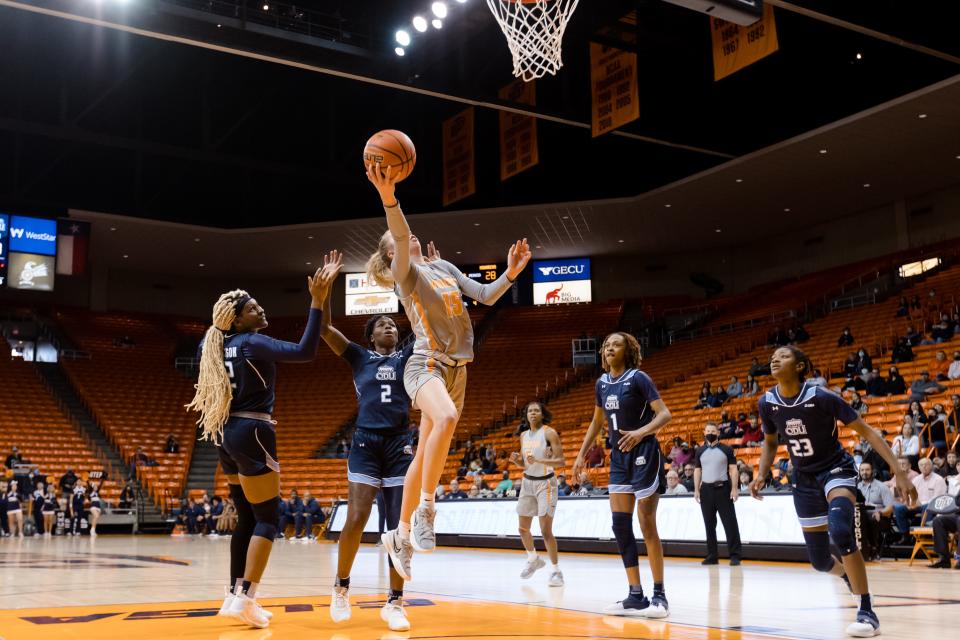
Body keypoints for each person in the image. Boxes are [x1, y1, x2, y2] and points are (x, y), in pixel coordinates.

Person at [369, 162, 531, 588]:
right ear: (392, 255)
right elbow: (401, 234)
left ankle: (399, 535)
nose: (412, 238)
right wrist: (390, 197)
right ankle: (426, 511)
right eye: (399, 244)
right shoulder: (407, 274)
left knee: (424, 453)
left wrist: (512, 272)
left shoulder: (443, 269)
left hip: (459, 371)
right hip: (426, 363)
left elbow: (485, 295)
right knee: (445, 419)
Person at [186, 263, 336, 629]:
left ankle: (235, 593)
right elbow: (305, 351)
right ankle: (247, 596)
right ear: (237, 321)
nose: (261, 310)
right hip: (252, 430)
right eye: (253, 308)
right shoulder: (250, 341)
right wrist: (317, 303)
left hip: (224, 432)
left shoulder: (211, 343)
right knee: (270, 518)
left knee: (248, 517)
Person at [752, 345, 916, 638]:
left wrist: (899, 472)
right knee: (820, 561)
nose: (775, 359)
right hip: (802, 479)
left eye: (784, 356)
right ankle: (848, 578)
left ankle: (866, 610)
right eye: (773, 357)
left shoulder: (823, 397)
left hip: (835, 469)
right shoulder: (766, 402)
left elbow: (868, 432)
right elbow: (769, 442)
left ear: (801, 366)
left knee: (841, 531)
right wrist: (761, 473)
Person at [318, 249, 415, 632]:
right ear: (370, 333)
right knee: (357, 517)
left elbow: (426, 325)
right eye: (382, 324)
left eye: (393, 324)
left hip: (399, 443)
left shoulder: (408, 355)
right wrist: (321, 295)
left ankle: (395, 601)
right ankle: (341, 587)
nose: (390, 327)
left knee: (396, 527)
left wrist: (425, 274)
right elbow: (325, 330)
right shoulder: (359, 357)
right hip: (365, 442)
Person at [573, 332, 673, 618]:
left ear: (627, 350)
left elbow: (664, 415)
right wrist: (581, 454)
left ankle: (659, 595)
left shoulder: (639, 378)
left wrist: (640, 433)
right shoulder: (601, 383)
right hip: (618, 458)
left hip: (644, 454)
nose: (608, 348)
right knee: (620, 525)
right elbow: (596, 422)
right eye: (605, 345)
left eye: (615, 344)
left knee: (647, 524)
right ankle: (635, 595)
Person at [508, 401, 565, 586]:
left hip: (546, 484)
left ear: (542, 414)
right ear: (526, 415)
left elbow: (561, 461)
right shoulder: (524, 435)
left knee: (545, 530)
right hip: (527, 483)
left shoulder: (549, 433)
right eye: (530, 411)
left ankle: (557, 572)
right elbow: (527, 465)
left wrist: (540, 459)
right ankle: (533, 559)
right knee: (522, 528)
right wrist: (518, 462)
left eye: (536, 410)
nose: (533, 413)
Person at [694, 422, 742, 566]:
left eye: (713, 431)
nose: (710, 433)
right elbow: (697, 470)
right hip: (706, 491)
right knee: (709, 524)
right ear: (704, 432)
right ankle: (712, 556)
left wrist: (734, 488)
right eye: (708, 430)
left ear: (718, 433)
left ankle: (735, 556)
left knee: (730, 523)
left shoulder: (726, 449)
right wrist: (696, 489)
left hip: (723, 489)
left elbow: (733, 469)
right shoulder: (700, 451)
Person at [892, 458, 947, 542]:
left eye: (926, 464)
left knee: (927, 506)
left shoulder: (938, 479)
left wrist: (919, 504)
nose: (924, 467)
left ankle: (924, 535)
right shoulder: (916, 479)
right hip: (917, 505)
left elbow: (938, 499)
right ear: (919, 467)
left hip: (932, 506)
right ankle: (906, 535)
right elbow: (912, 494)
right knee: (897, 508)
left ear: (931, 466)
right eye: (921, 465)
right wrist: (910, 504)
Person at [857, 462, 894, 560]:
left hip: (881, 518)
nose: (864, 472)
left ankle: (873, 547)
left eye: (867, 470)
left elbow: (890, 508)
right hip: (861, 516)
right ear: (859, 472)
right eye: (862, 470)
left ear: (872, 471)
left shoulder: (882, 487)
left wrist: (880, 512)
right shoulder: (857, 487)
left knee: (870, 518)